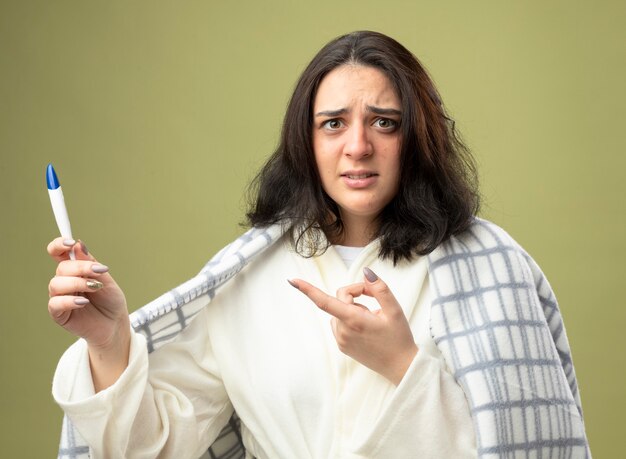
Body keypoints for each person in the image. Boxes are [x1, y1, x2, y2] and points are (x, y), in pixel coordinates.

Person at [49, 31, 590, 458]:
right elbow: (157, 451)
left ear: (418, 137)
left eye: (384, 122)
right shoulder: (247, 281)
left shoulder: (492, 270)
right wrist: (109, 343)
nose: (358, 146)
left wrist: (403, 365)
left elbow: (528, 447)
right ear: (305, 142)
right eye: (333, 124)